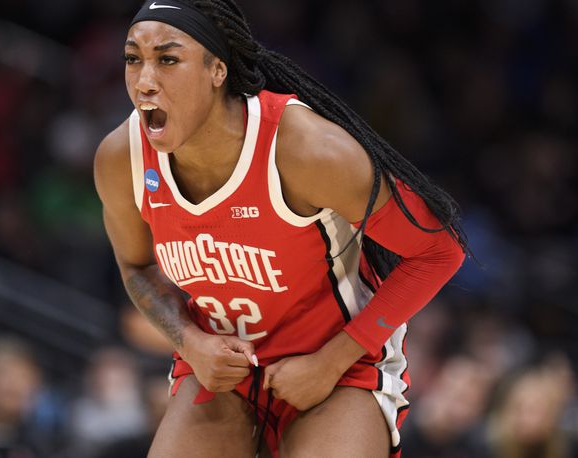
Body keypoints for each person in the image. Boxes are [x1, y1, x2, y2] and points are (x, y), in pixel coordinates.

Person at [94, 0, 468, 457]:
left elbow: (439, 252)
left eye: (168, 60)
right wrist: (190, 342)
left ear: (217, 70)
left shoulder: (306, 149)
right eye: (134, 59)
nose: (145, 81)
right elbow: (136, 267)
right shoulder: (121, 158)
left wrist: (330, 362)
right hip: (218, 369)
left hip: (337, 368)